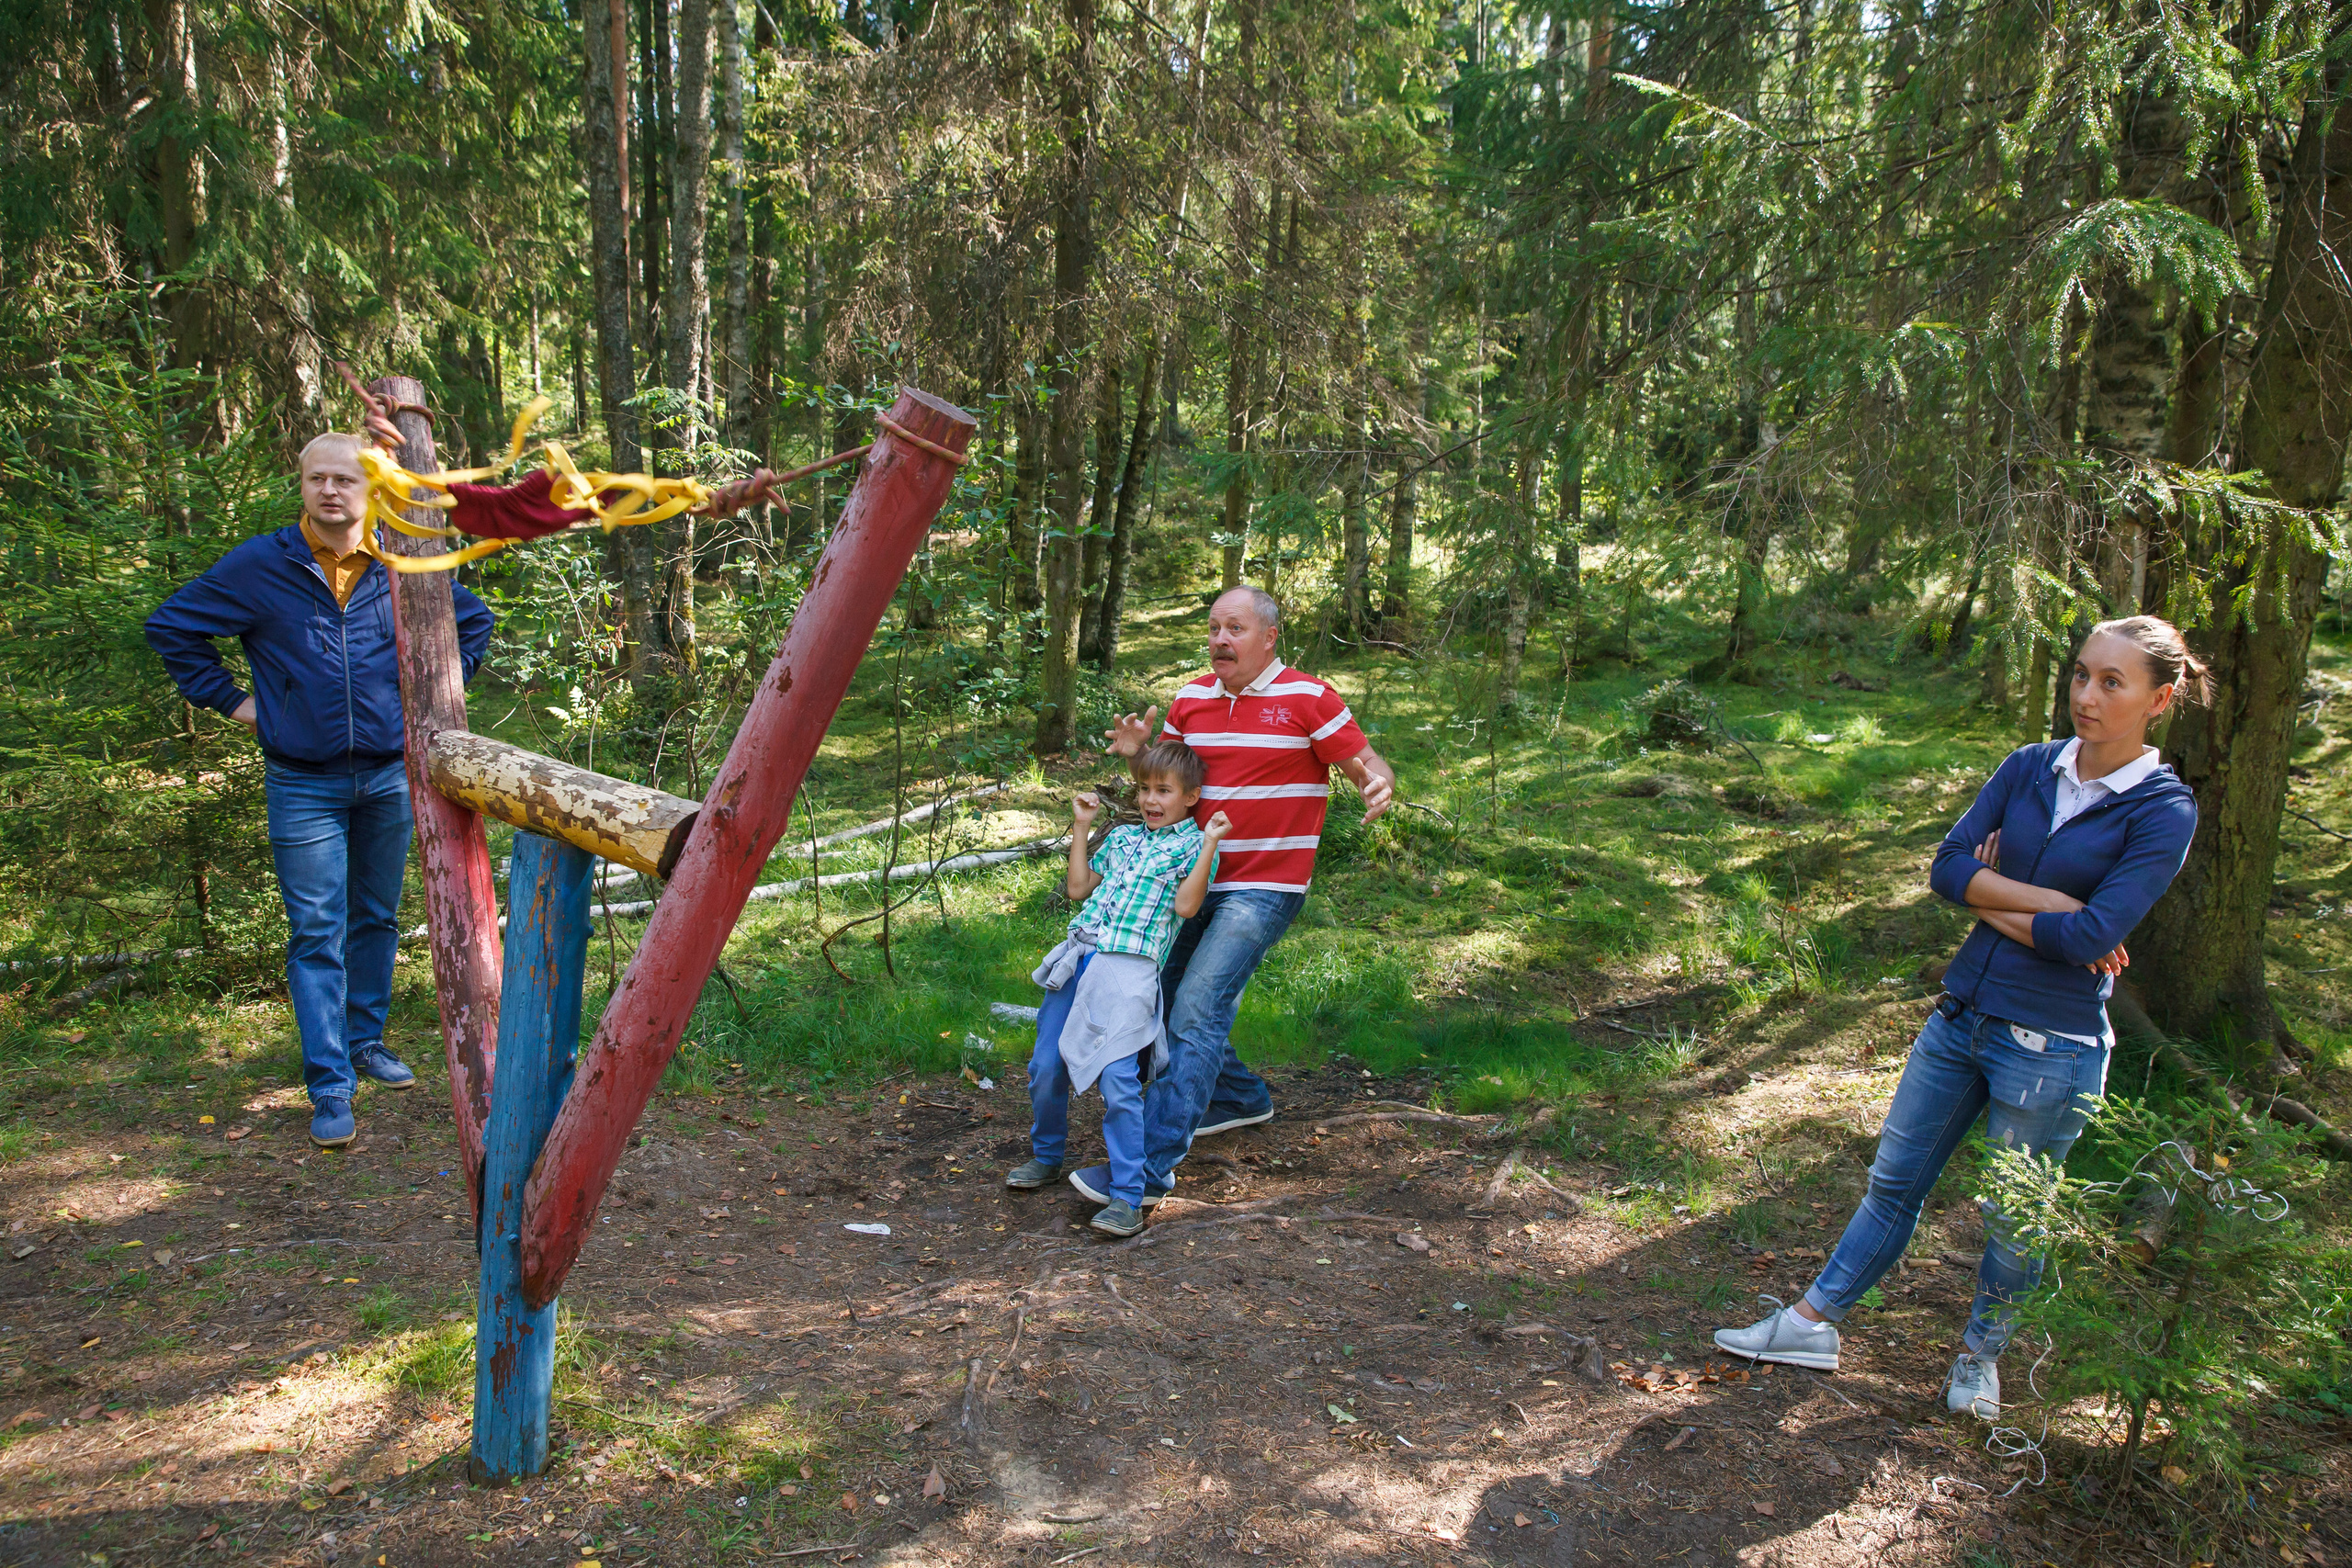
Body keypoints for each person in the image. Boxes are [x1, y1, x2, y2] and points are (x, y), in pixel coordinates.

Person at [1712, 615, 2208, 1421]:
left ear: (2161, 697)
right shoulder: (2028, 767)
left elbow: (2093, 936)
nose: (2086, 695)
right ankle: (1810, 1324)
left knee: (2014, 1219)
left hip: (2052, 1046)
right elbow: (1948, 870)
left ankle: (1980, 1359)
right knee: (1892, 1184)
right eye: (2082, 674)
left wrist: (1999, 897)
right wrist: (2046, 901)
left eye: (2112, 682)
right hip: (1960, 1016)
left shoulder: (2162, 811)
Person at [146, 424, 494, 1151]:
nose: (331, 490)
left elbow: (473, 622)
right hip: (301, 781)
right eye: (317, 479)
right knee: (316, 930)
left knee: (374, 917)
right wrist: (245, 707)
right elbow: (172, 627)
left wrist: (430, 706)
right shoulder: (261, 565)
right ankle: (329, 1080)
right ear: (302, 485)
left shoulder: (404, 560)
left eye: (346, 479)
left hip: (389, 774)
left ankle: (365, 1041)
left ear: (371, 489)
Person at [1086, 586, 1396, 1210]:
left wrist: (1378, 782)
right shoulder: (1193, 699)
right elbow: (1167, 779)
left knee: (1196, 1007)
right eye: (1213, 628)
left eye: (1235, 628)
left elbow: (1364, 760)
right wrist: (1137, 754)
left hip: (1265, 886)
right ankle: (1236, 1095)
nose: (1220, 639)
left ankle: (1143, 1170)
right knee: (1164, 992)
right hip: (1192, 877)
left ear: (1268, 637)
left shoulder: (1309, 697)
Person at [1005, 742, 1234, 1235]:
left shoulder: (1195, 846)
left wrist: (1211, 843)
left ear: (1191, 796)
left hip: (1129, 971)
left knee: (1118, 1083)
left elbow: (1188, 908)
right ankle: (1046, 1156)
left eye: (1164, 791)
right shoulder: (1125, 837)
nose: (1151, 799)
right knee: (1046, 1065)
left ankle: (1129, 1196)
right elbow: (1077, 889)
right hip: (1079, 956)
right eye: (1145, 789)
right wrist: (1083, 827)